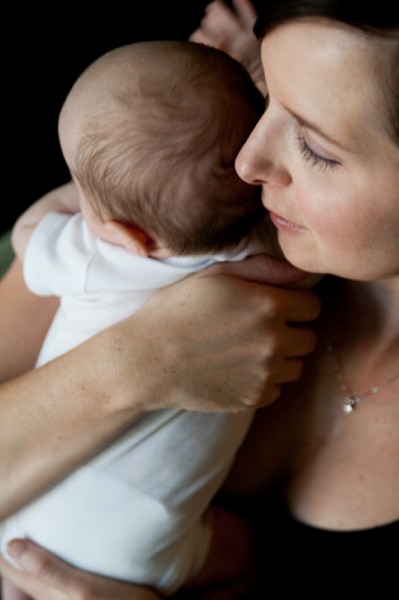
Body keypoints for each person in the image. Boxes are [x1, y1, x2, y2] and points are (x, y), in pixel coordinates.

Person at [7, 0, 397, 596]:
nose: (245, 162)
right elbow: (131, 194)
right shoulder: (218, 207)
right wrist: (137, 359)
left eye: (316, 149)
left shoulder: (114, 252)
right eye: (263, 103)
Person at [0, 38, 290, 600]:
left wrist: (82, 208)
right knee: (239, 555)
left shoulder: (93, 258)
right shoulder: (274, 256)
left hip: (25, 523)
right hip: (145, 549)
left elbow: (33, 232)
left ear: (129, 235)